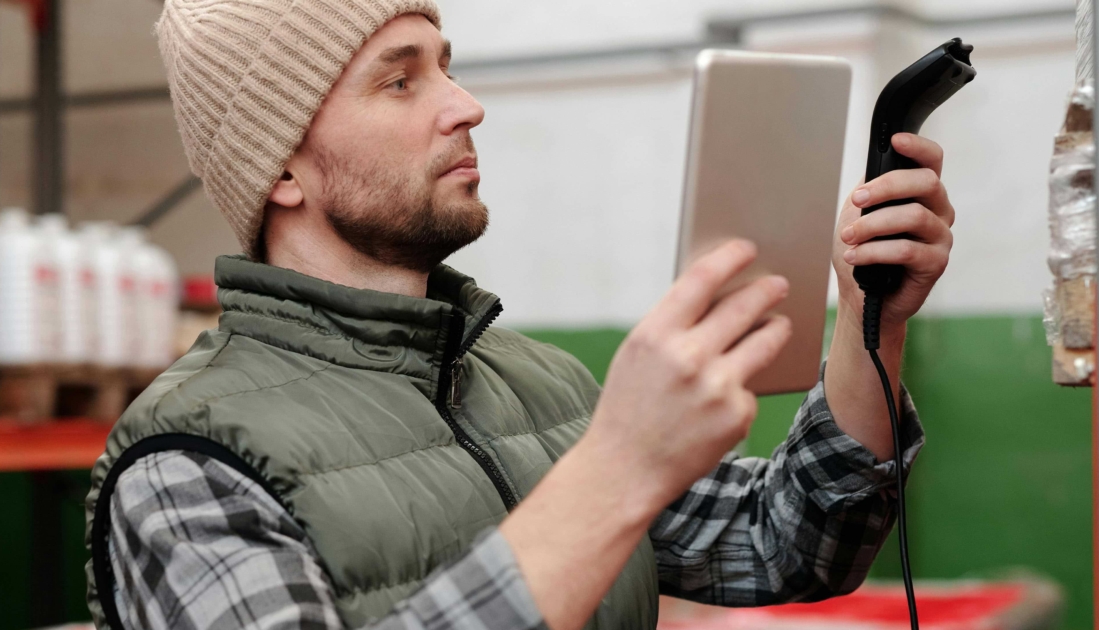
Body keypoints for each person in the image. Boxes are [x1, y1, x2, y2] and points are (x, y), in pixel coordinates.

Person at [84, 2, 956, 629]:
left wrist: (870, 318)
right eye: (399, 80)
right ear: (282, 173)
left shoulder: (540, 388)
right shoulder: (186, 464)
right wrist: (615, 468)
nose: (465, 105)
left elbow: (789, 545)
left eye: (446, 65)